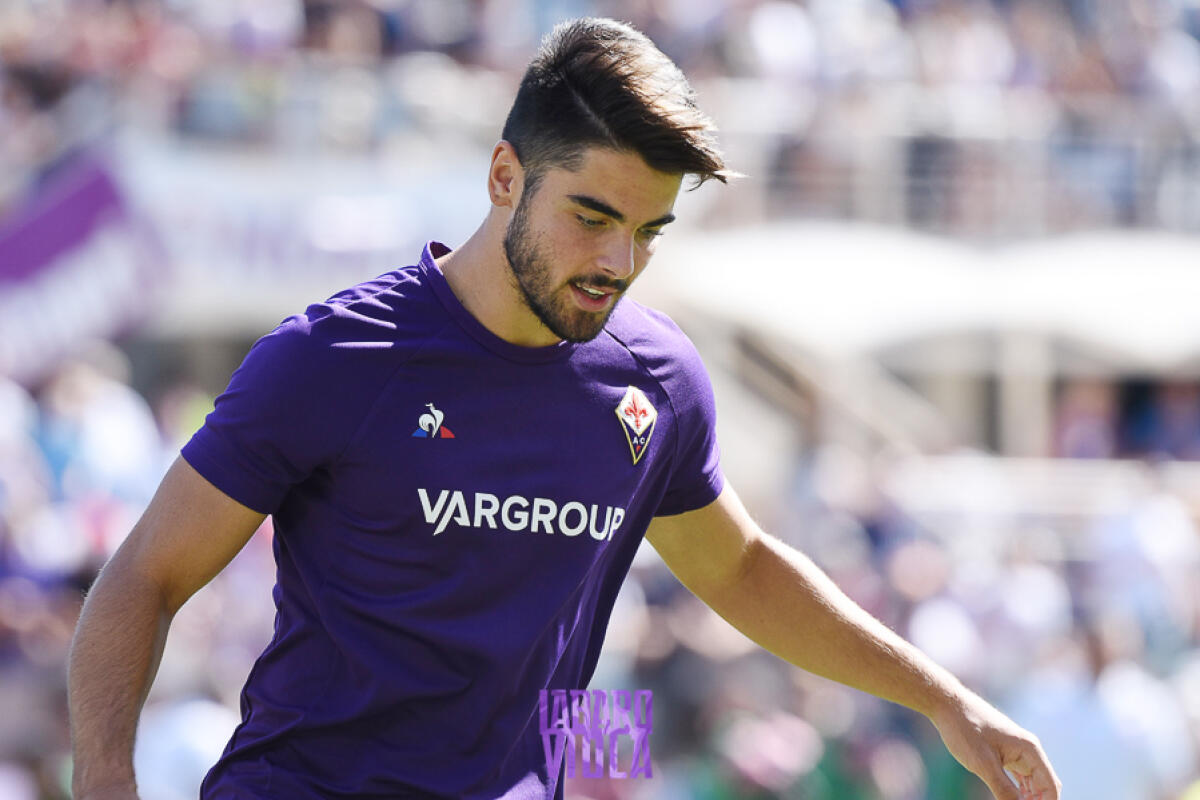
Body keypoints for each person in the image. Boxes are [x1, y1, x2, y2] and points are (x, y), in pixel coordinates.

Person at [68, 17, 1061, 800]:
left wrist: (942, 698)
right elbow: (144, 574)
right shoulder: (333, 356)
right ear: (505, 176)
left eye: (648, 231)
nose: (618, 263)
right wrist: (107, 781)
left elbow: (744, 567)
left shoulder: (658, 381)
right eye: (591, 217)